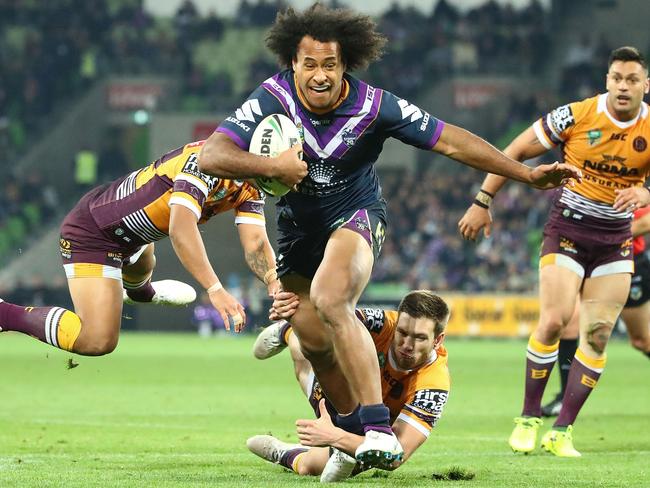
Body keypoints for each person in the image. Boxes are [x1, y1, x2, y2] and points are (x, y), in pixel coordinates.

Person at [197, 3, 579, 467]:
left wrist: (525, 175)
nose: (320, 75)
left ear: (346, 64)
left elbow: (452, 141)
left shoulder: (377, 106)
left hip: (357, 216)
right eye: (310, 64)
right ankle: (351, 437)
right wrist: (273, 167)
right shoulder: (272, 97)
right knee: (316, 344)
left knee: (332, 297)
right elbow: (214, 155)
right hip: (297, 232)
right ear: (292, 63)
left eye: (330, 65)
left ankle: (378, 430)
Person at [458, 46, 650, 457]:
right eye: (617, 77)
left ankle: (562, 431)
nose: (623, 86)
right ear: (607, 81)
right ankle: (528, 418)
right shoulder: (577, 115)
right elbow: (516, 151)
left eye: (632, 80)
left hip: (615, 241)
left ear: (644, 86)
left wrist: (645, 190)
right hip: (568, 231)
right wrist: (483, 199)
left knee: (597, 336)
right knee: (553, 321)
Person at [0, 140, 280, 355]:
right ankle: (5, 314)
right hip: (94, 234)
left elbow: (256, 241)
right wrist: (215, 289)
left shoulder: (249, 182)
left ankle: (138, 291)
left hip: (133, 237)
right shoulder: (205, 162)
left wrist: (273, 281)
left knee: (145, 259)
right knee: (97, 341)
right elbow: (181, 230)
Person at [247, 290, 450, 482]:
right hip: (343, 391)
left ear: (437, 340)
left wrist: (335, 437)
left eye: (420, 338)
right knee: (307, 349)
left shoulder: (434, 384)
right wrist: (296, 315)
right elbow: (328, 318)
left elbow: (396, 456)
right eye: (403, 333)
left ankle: (284, 453)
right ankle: (289, 331)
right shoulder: (381, 324)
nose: (407, 344)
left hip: (372, 432)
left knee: (310, 467)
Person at [542, 206, 650, 416]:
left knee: (642, 340)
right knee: (567, 324)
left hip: (623, 259)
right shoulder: (591, 181)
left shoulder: (634, 181)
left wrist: (604, 237)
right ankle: (565, 398)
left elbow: (646, 223)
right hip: (580, 254)